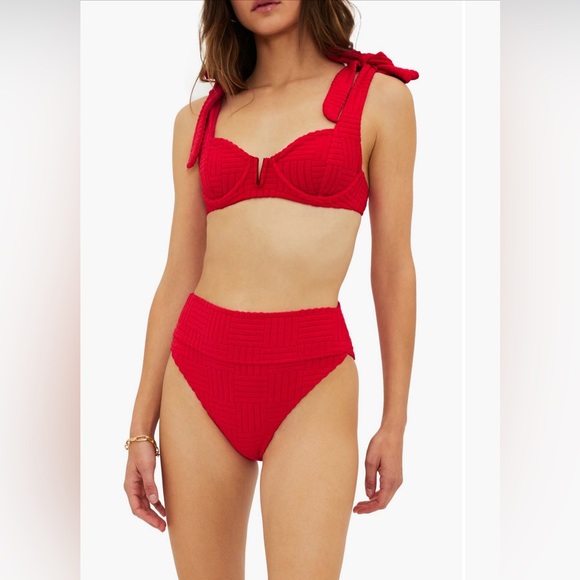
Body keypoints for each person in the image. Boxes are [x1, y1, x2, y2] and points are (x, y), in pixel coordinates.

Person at [123, 0, 418, 577]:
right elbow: (179, 273)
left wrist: (395, 420)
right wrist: (139, 431)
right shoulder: (198, 119)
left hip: (313, 379)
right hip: (198, 377)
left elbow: (392, 269)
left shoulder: (380, 99)